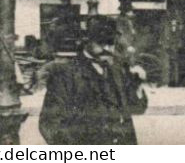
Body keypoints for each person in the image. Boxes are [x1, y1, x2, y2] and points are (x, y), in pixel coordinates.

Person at [39, 16, 147, 145]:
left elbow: (138, 108)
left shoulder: (119, 70)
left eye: (111, 42)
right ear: (86, 41)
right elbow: (49, 124)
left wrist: (138, 84)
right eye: (101, 42)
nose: (107, 48)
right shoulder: (66, 74)